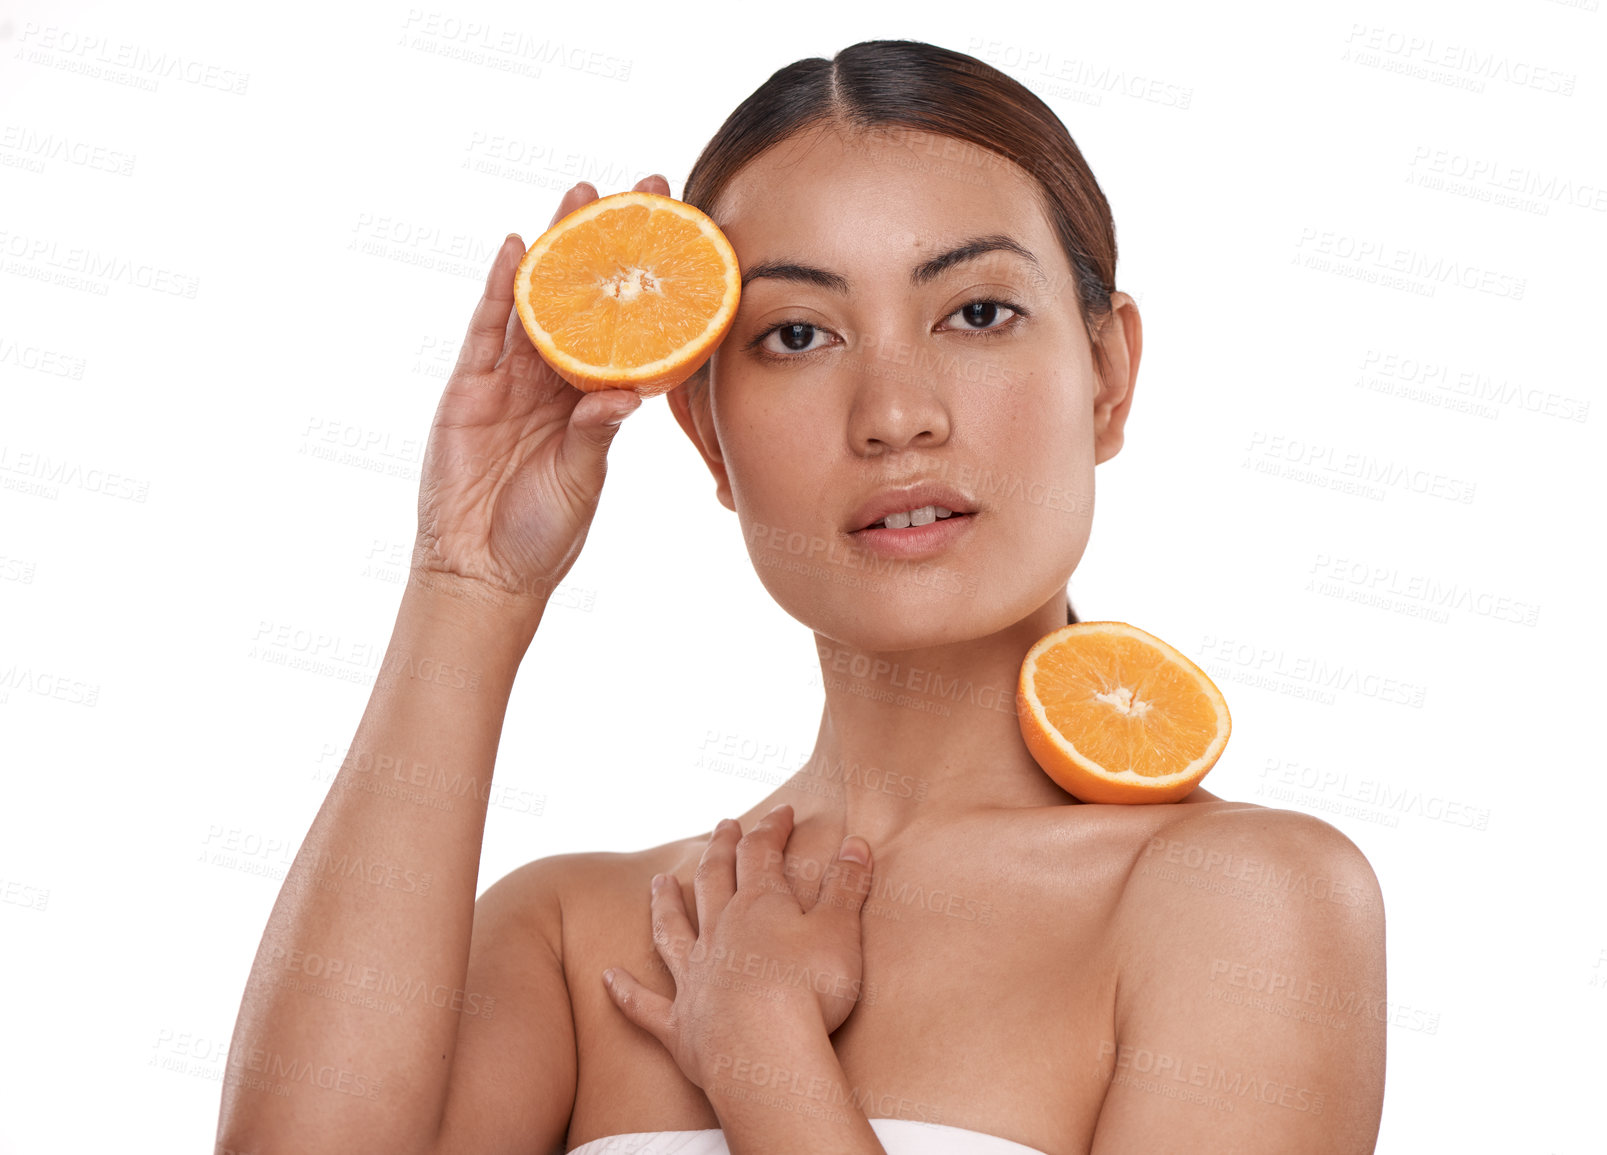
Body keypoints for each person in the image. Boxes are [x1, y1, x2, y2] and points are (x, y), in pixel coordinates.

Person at [217, 39, 1385, 1155]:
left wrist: (765, 1053)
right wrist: (466, 582)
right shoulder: (586, 940)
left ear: (1109, 377)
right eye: (798, 333)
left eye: (976, 313)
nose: (895, 412)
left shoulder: (1245, 905)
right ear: (707, 436)